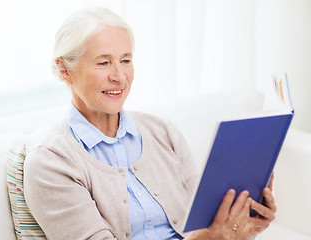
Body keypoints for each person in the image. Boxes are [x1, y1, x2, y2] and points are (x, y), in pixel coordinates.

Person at [23, 7, 276, 240]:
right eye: (103, 62)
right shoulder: (51, 163)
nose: (119, 77)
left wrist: (242, 226)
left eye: (125, 60)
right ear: (65, 69)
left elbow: (203, 224)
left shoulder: (162, 132)